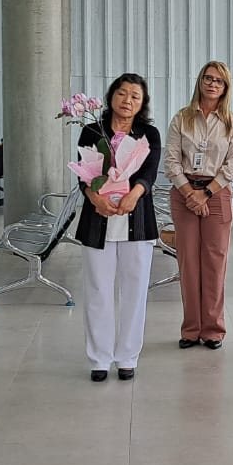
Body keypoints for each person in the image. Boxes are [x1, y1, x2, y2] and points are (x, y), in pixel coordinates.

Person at [74, 73, 161, 382]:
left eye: (135, 96)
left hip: (136, 220)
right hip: (98, 220)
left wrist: (134, 195)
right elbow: (84, 175)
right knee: (98, 290)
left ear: (142, 104)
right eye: (122, 93)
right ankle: (99, 358)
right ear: (111, 96)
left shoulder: (148, 133)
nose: (127, 100)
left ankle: (127, 357)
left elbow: (149, 173)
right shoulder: (90, 130)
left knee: (134, 291)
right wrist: (95, 198)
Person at [163, 61, 233, 350]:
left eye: (219, 81)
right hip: (184, 190)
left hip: (217, 192)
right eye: (208, 78)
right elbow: (171, 161)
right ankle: (190, 328)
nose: (212, 84)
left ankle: (212, 329)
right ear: (199, 81)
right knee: (188, 261)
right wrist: (189, 193)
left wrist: (205, 193)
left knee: (214, 262)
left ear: (225, 88)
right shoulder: (181, 119)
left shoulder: (232, 122)